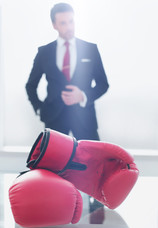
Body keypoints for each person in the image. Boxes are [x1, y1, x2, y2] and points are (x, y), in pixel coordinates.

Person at [25, 2, 109, 141]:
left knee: (91, 162)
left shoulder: (91, 49)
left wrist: (82, 96)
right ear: (54, 25)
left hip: (85, 120)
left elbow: (103, 84)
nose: (69, 27)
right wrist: (40, 109)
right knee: (54, 162)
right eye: (63, 23)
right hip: (54, 120)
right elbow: (30, 85)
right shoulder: (44, 52)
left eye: (71, 21)